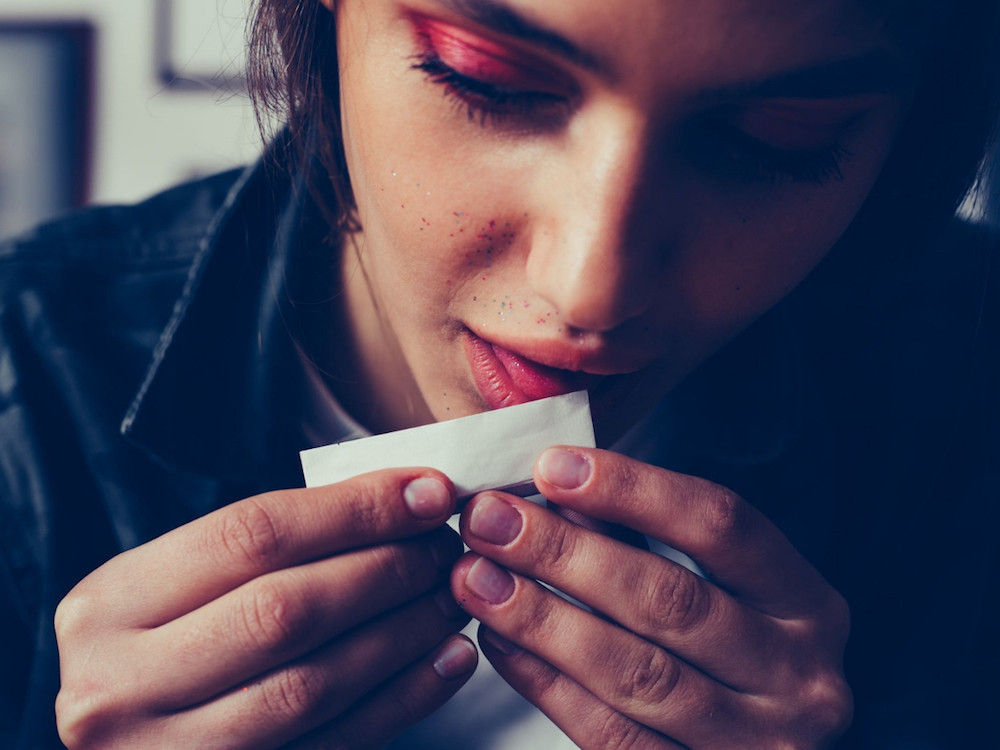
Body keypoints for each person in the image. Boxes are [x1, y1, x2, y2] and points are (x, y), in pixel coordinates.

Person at [1, 0, 998, 747]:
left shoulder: (964, 395)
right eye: (489, 82)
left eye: (772, 141)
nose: (591, 289)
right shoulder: (28, 383)